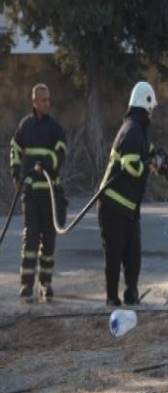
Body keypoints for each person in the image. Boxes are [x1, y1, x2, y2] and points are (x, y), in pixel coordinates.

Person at [98, 81, 162, 306]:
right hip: (113, 205)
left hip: (128, 207)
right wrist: (150, 165)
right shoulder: (132, 130)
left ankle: (131, 294)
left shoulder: (140, 130)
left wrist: (163, 158)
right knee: (114, 255)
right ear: (144, 105)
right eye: (151, 107)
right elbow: (132, 165)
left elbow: (149, 152)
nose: (152, 111)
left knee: (133, 254)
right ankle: (112, 299)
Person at [10, 83, 67, 302]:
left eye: (48, 100)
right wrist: (16, 175)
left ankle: (46, 283)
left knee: (49, 241)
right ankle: (26, 285)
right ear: (34, 102)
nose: (47, 103)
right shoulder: (25, 126)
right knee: (31, 238)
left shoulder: (55, 128)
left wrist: (45, 163)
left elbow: (61, 152)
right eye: (43, 100)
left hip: (51, 193)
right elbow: (15, 148)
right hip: (31, 192)